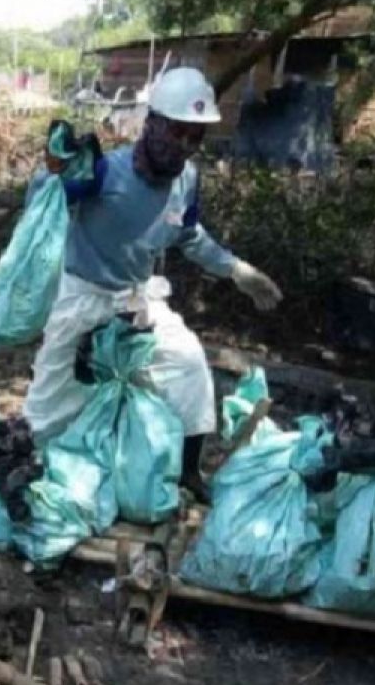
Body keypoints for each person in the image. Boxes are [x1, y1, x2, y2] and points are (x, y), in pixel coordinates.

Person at [23, 67, 282, 500]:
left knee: (189, 366)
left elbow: (189, 235)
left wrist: (237, 271)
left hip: (138, 298)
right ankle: (28, 464)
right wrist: (52, 174)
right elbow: (40, 207)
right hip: (83, 296)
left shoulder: (187, 180)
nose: (184, 146)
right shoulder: (105, 172)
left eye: (195, 137)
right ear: (152, 124)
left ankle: (186, 472)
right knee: (53, 401)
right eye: (177, 132)